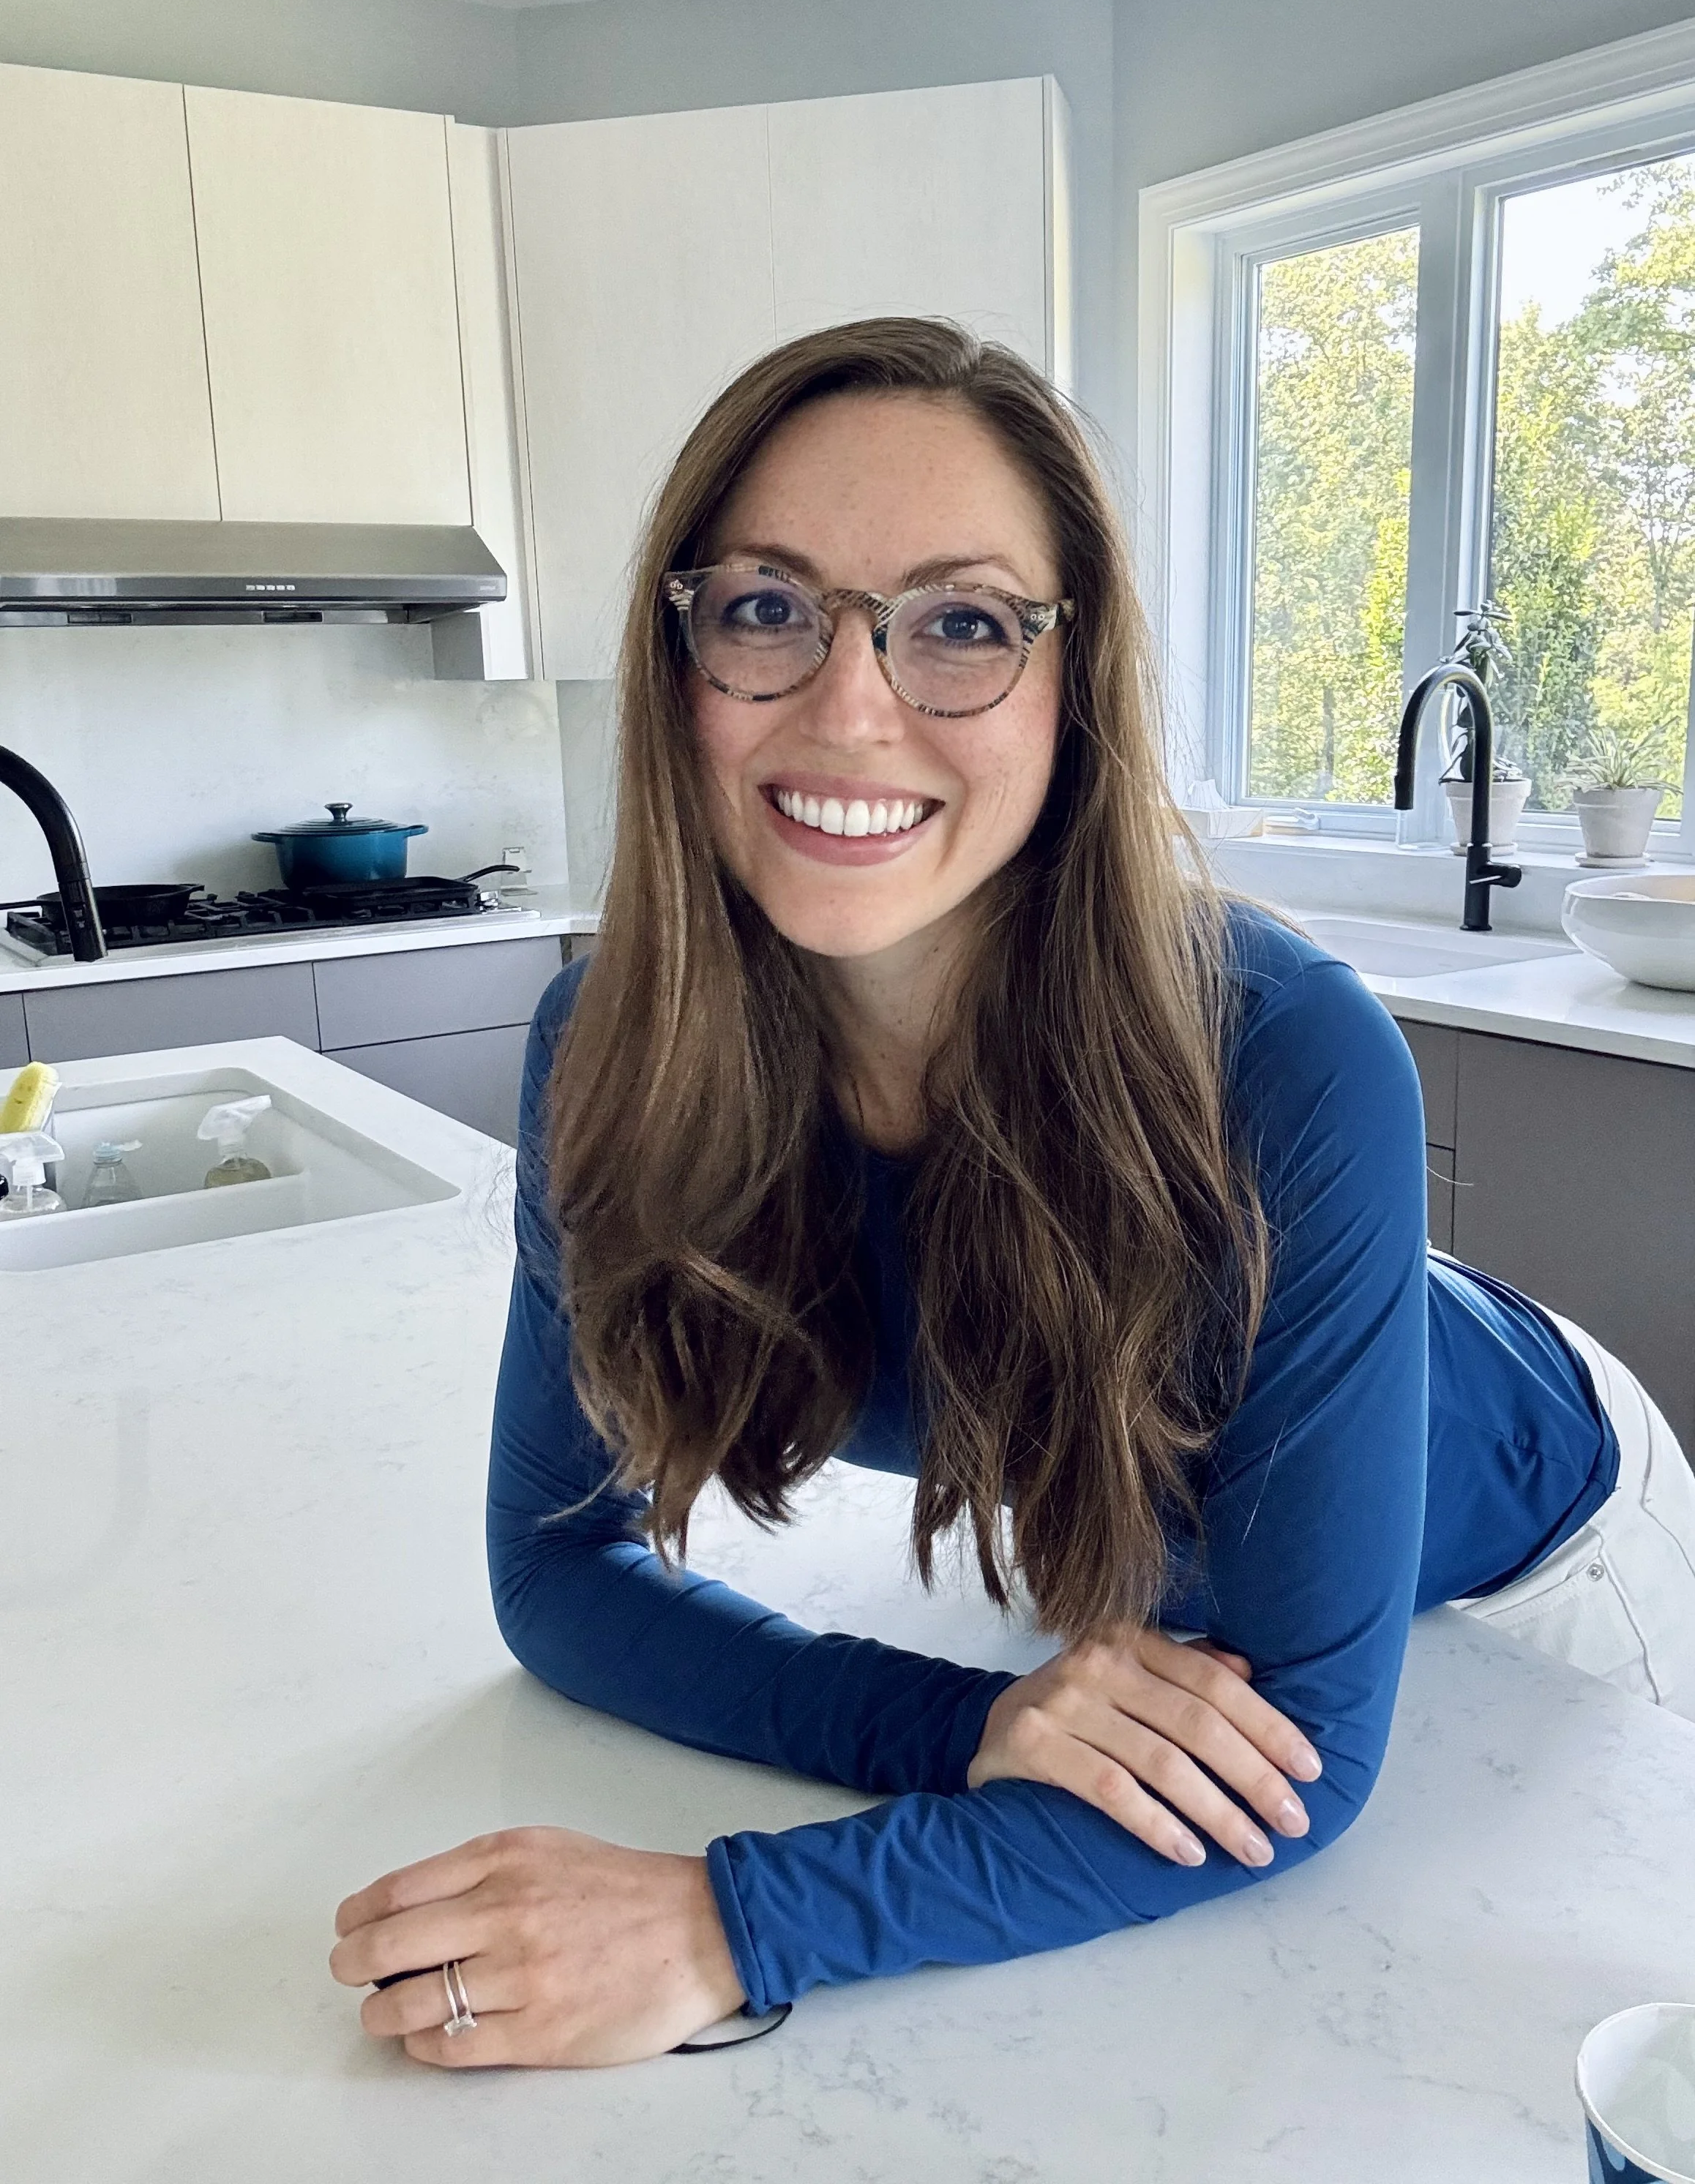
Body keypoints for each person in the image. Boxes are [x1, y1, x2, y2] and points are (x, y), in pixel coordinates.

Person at [329, 318, 1695, 2069]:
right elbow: (552, 1569)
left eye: (962, 624)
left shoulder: (1286, 1054)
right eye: (766, 606)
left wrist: (731, 1917)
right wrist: (967, 1728)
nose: (848, 704)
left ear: (1076, 680)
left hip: (1538, 1547)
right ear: (680, 658)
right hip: (1148, 1564)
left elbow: (1301, 1764)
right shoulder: (608, 1043)